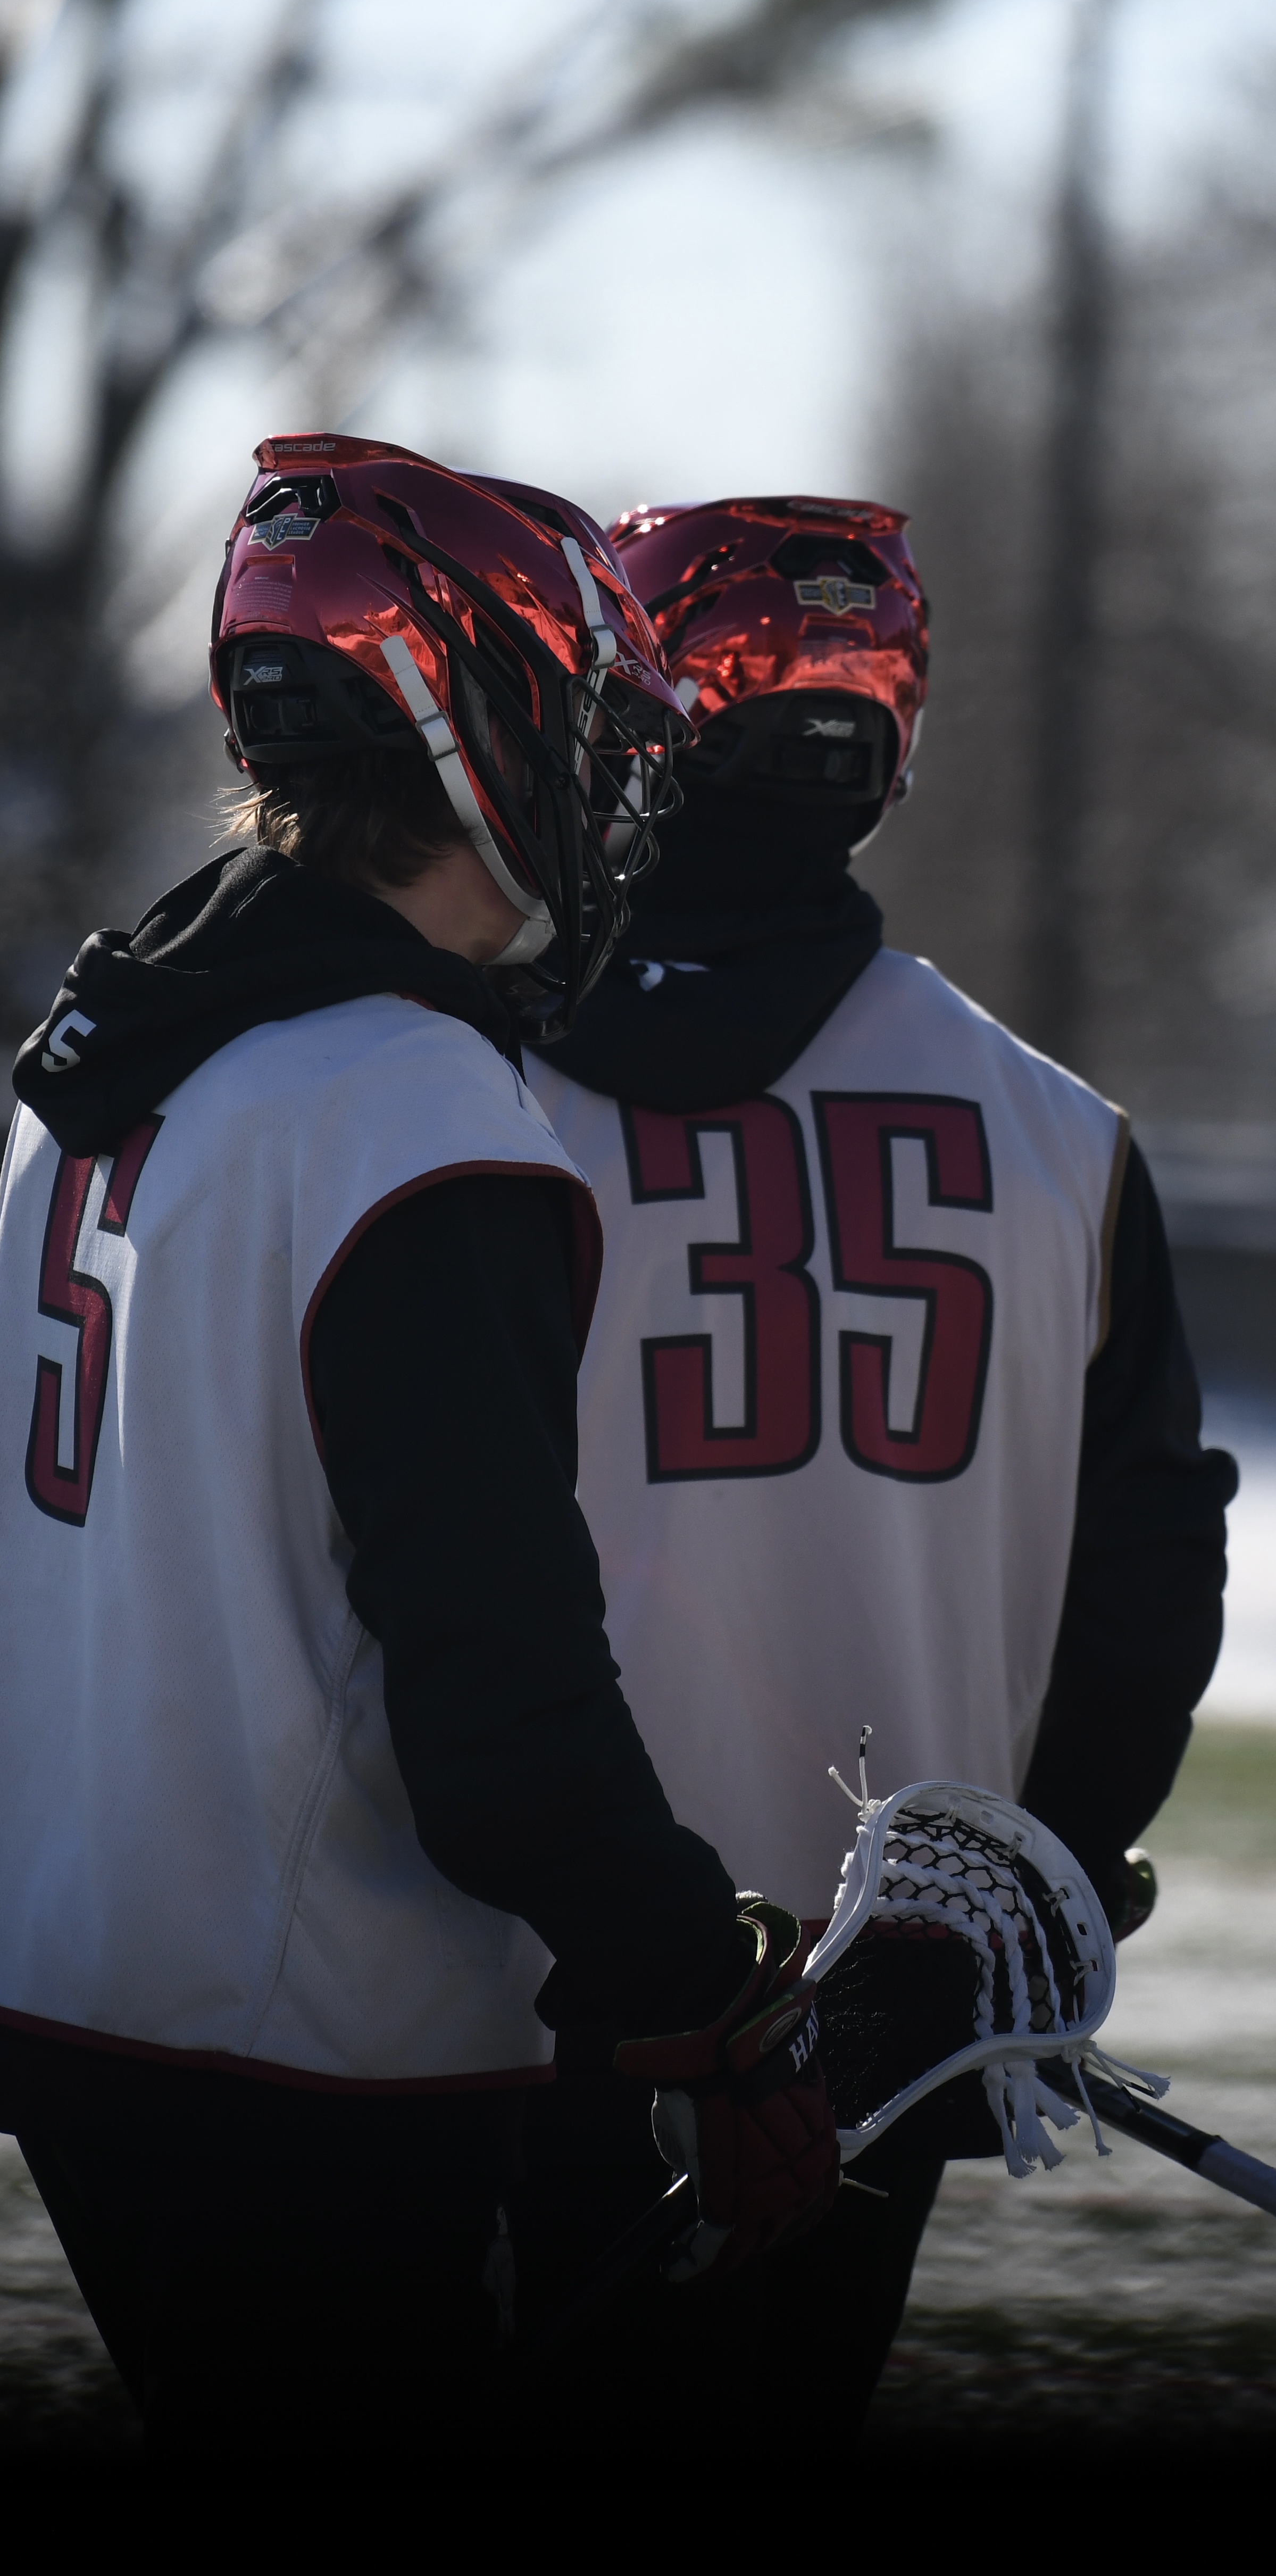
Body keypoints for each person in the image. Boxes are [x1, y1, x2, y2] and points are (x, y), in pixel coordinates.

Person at [0, 439, 836, 2454]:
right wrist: (696, 1979)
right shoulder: (413, 1107)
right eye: (585, 727)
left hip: (76, 1979)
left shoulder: (121, 1051)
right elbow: (489, 1671)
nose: (614, 792)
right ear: (471, 720)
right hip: (280, 2031)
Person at [522, 492, 1237, 2433]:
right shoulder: (1059, 1130)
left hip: (495, 1962)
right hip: (880, 1991)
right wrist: (1033, 1885)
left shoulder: (458, 1078)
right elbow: (1159, 1564)